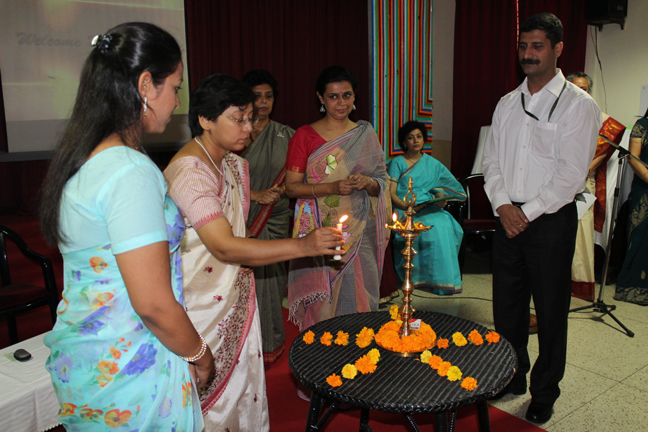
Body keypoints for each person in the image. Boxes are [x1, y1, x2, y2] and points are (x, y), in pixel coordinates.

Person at [39, 23, 213, 431]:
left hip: (93, 357)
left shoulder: (83, 159)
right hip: (130, 362)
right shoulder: (130, 170)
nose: (177, 102)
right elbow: (153, 303)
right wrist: (200, 355)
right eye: (175, 87)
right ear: (146, 85)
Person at [163, 73, 343, 431]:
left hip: (235, 295)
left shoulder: (232, 163)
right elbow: (224, 245)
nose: (249, 127)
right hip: (200, 306)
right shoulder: (189, 173)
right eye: (238, 119)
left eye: (250, 118)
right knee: (207, 403)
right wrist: (303, 245)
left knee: (242, 392)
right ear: (205, 120)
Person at [482, 13, 601, 424]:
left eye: (537, 46)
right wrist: (503, 206)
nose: (528, 54)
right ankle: (511, 375)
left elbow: (571, 175)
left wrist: (525, 213)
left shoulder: (578, 105)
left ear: (558, 49)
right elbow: (491, 162)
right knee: (507, 308)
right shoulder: (507, 103)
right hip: (507, 217)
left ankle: (545, 391)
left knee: (550, 311)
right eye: (523, 46)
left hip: (549, 220)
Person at [284, 65, 391, 330]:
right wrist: (332, 187)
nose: (341, 103)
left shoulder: (365, 134)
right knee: (324, 301)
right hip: (320, 229)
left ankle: (360, 345)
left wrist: (367, 182)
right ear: (321, 98)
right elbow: (292, 188)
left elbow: (383, 182)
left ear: (354, 97)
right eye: (333, 96)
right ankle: (322, 347)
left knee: (360, 298)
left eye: (347, 95)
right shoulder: (304, 135)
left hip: (361, 229)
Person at [238, 69, 295, 366]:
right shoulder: (235, 134)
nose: (263, 102)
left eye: (269, 96)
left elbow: (299, 177)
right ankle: (246, 346)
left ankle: (270, 343)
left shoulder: (287, 135)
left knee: (272, 280)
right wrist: (256, 194)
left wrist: (282, 190)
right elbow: (222, 182)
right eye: (257, 96)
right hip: (242, 219)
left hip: (276, 216)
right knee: (247, 282)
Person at [388, 120, 466, 294]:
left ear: (424, 140)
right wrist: (405, 206)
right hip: (403, 207)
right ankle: (415, 277)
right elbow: (391, 192)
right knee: (420, 227)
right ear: (404, 142)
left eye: (419, 136)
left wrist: (440, 200)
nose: (415, 140)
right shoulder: (397, 162)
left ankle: (442, 281)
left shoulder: (432, 164)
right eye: (410, 137)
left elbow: (438, 190)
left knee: (443, 224)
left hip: (426, 206)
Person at [566, 72, 625, 300]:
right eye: (575, 87)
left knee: (580, 233)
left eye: (585, 89)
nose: (580, 92)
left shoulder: (602, 121)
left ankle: (578, 286)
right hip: (554, 182)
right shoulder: (555, 113)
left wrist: (584, 169)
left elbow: (602, 153)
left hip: (583, 182)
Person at [615, 107, 648, 305]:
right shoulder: (642, 125)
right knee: (640, 237)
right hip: (644, 189)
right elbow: (633, 158)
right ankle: (632, 288)